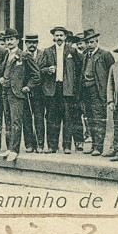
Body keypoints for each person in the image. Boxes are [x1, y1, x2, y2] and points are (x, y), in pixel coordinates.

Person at [39, 26, 83, 154]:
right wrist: (47, 70)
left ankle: (67, 146)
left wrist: (74, 86)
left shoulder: (72, 51)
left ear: (65, 37)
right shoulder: (47, 51)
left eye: (61, 35)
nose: (59, 38)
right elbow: (39, 70)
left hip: (67, 90)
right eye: (56, 35)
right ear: (53, 37)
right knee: (52, 118)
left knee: (68, 118)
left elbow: (79, 68)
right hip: (52, 89)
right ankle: (52, 146)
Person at [0, 28, 41, 161]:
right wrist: (1, 78)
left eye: (12, 39)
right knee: (9, 121)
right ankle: (10, 148)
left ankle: (15, 150)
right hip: (6, 92)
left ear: (17, 41)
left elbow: (36, 75)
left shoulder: (24, 55)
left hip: (17, 94)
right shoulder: (6, 55)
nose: (9, 42)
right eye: (7, 40)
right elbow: (4, 71)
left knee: (17, 121)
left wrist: (28, 86)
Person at [80, 29, 113, 157]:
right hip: (86, 91)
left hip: (98, 91)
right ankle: (93, 145)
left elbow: (111, 74)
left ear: (97, 41)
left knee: (99, 119)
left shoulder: (104, 55)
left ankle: (98, 147)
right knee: (90, 119)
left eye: (92, 42)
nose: (89, 44)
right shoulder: (85, 55)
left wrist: (109, 93)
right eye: (87, 42)